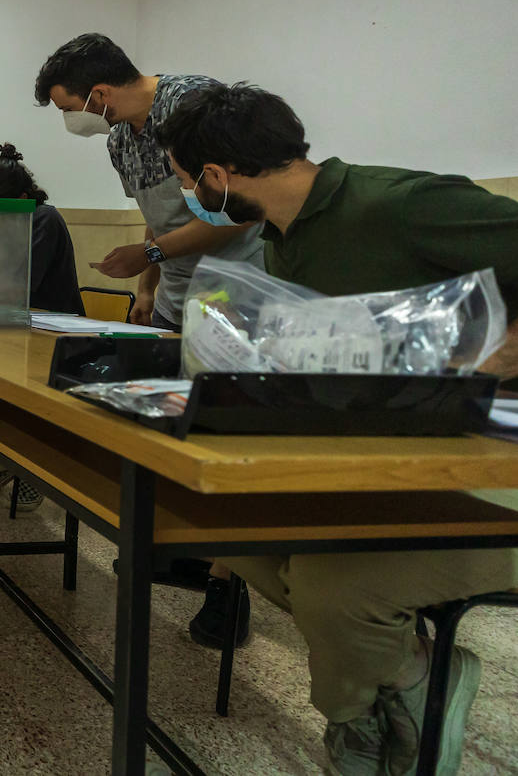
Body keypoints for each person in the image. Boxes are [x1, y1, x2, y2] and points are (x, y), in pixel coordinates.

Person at [157, 81, 518, 776]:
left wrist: (505, 351)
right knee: (229, 531)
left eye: (186, 183)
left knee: (334, 589)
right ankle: (405, 681)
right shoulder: (280, 241)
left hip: (487, 473)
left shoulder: (400, 204)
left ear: (216, 176)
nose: (191, 200)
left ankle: (377, 714)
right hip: (383, 464)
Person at [34, 32, 262, 647]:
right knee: (160, 417)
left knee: (222, 431)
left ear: (99, 92)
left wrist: (152, 252)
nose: (69, 120)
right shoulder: (118, 137)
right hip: (175, 285)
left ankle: (228, 584)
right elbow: (155, 215)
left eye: (67, 107)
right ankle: (181, 545)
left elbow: (231, 213)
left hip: (236, 285)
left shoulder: (195, 104)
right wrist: (147, 281)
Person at [0, 141, 82, 511]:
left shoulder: (44, 219)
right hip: (15, 324)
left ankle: (35, 476)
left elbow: (20, 281)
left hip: (52, 329)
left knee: (34, 407)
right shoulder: (6, 221)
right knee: (2, 398)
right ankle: (6, 461)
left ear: (18, 197)